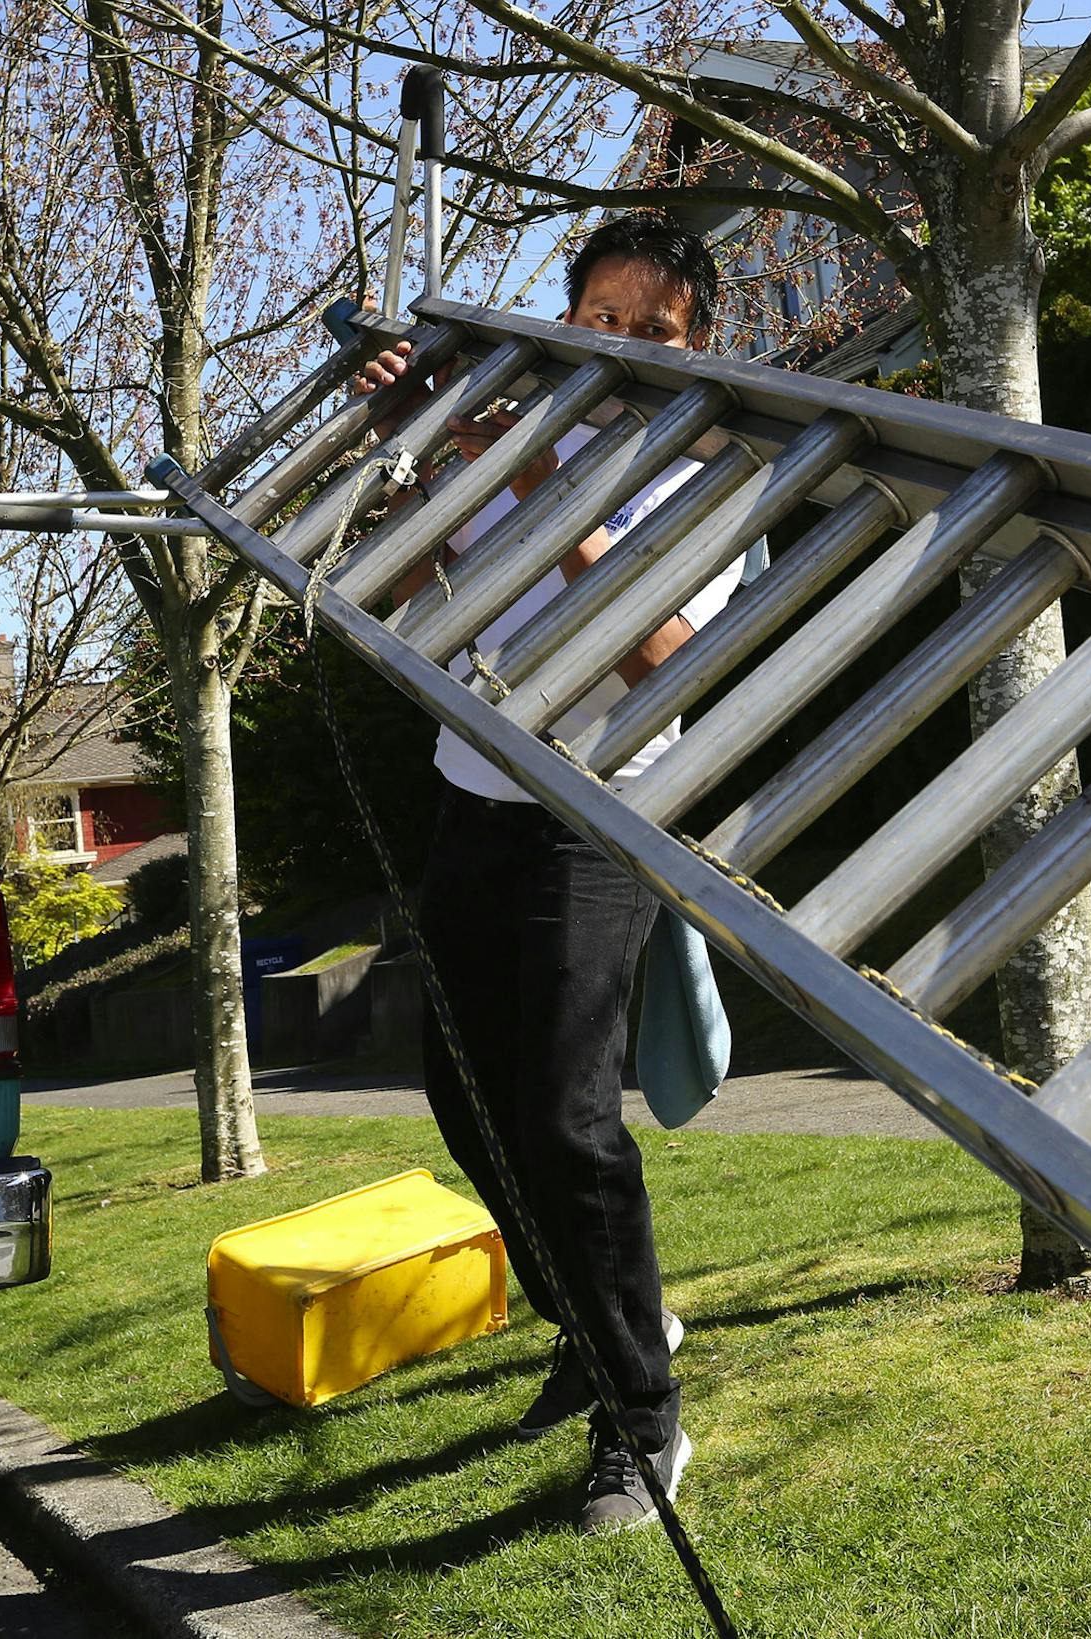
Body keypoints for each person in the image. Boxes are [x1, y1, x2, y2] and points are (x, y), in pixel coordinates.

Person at [356, 214, 738, 1534]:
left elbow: (652, 648)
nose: (623, 344)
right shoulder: (506, 423)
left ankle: (645, 1424)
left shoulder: (702, 470)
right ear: (567, 316)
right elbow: (408, 587)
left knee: (570, 1122)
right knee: (463, 1096)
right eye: (603, 318)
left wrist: (522, 481)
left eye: (655, 329)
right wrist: (409, 457)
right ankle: (593, 1320)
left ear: (699, 347)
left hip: (600, 807)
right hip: (479, 794)